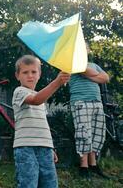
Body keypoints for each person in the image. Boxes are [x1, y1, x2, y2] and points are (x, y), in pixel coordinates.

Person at [12, 55, 70, 188]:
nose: (30, 75)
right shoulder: (19, 91)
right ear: (17, 75)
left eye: (34, 72)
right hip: (25, 147)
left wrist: (50, 147)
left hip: (45, 148)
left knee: (50, 184)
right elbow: (35, 100)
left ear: (39, 74)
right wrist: (57, 82)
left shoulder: (40, 96)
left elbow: (43, 125)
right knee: (29, 183)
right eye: (25, 72)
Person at [69, 44, 110, 179]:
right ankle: (83, 167)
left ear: (87, 50)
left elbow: (106, 78)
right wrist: (95, 76)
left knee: (96, 134)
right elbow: (85, 71)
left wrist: (91, 75)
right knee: (83, 134)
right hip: (81, 102)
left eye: (83, 48)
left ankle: (93, 165)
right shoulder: (73, 64)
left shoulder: (94, 65)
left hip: (96, 102)